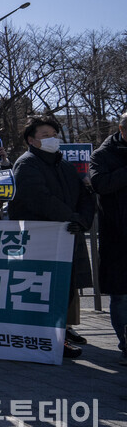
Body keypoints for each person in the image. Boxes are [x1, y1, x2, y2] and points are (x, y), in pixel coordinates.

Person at [9, 116, 94, 360]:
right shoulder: (27, 165)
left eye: (54, 134)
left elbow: (85, 195)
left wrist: (83, 219)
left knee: (64, 290)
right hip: (42, 242)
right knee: (44, 294)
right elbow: (40, 199)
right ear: (31, 140)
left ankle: (59, 336)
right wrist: (72, 217)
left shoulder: (64, 165)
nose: (52, 139)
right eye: (45, 135)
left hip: (67, 237)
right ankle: (51, 339)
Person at [89, 111, 127, 366]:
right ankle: (125, 344)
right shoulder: (102, 155)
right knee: (121, 295)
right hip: (118, 237)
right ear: (123, 129)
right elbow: (99, 184)